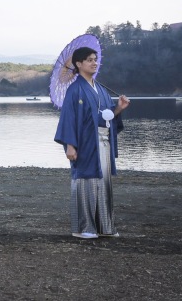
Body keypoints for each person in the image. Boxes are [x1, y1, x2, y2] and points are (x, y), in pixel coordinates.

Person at [54, 47, 130, 239]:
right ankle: (83, 228)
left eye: (95, 59)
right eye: (89, 60)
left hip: (103, 142)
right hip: (85, 143)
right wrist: (70, 145)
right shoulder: (75, 89)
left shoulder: (102, 90)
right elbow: (68, 118)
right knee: (85, 181)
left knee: (103, 182)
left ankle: (105, 227)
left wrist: (118, 109)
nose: (94, 63)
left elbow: (107, 116)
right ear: (78, 64)